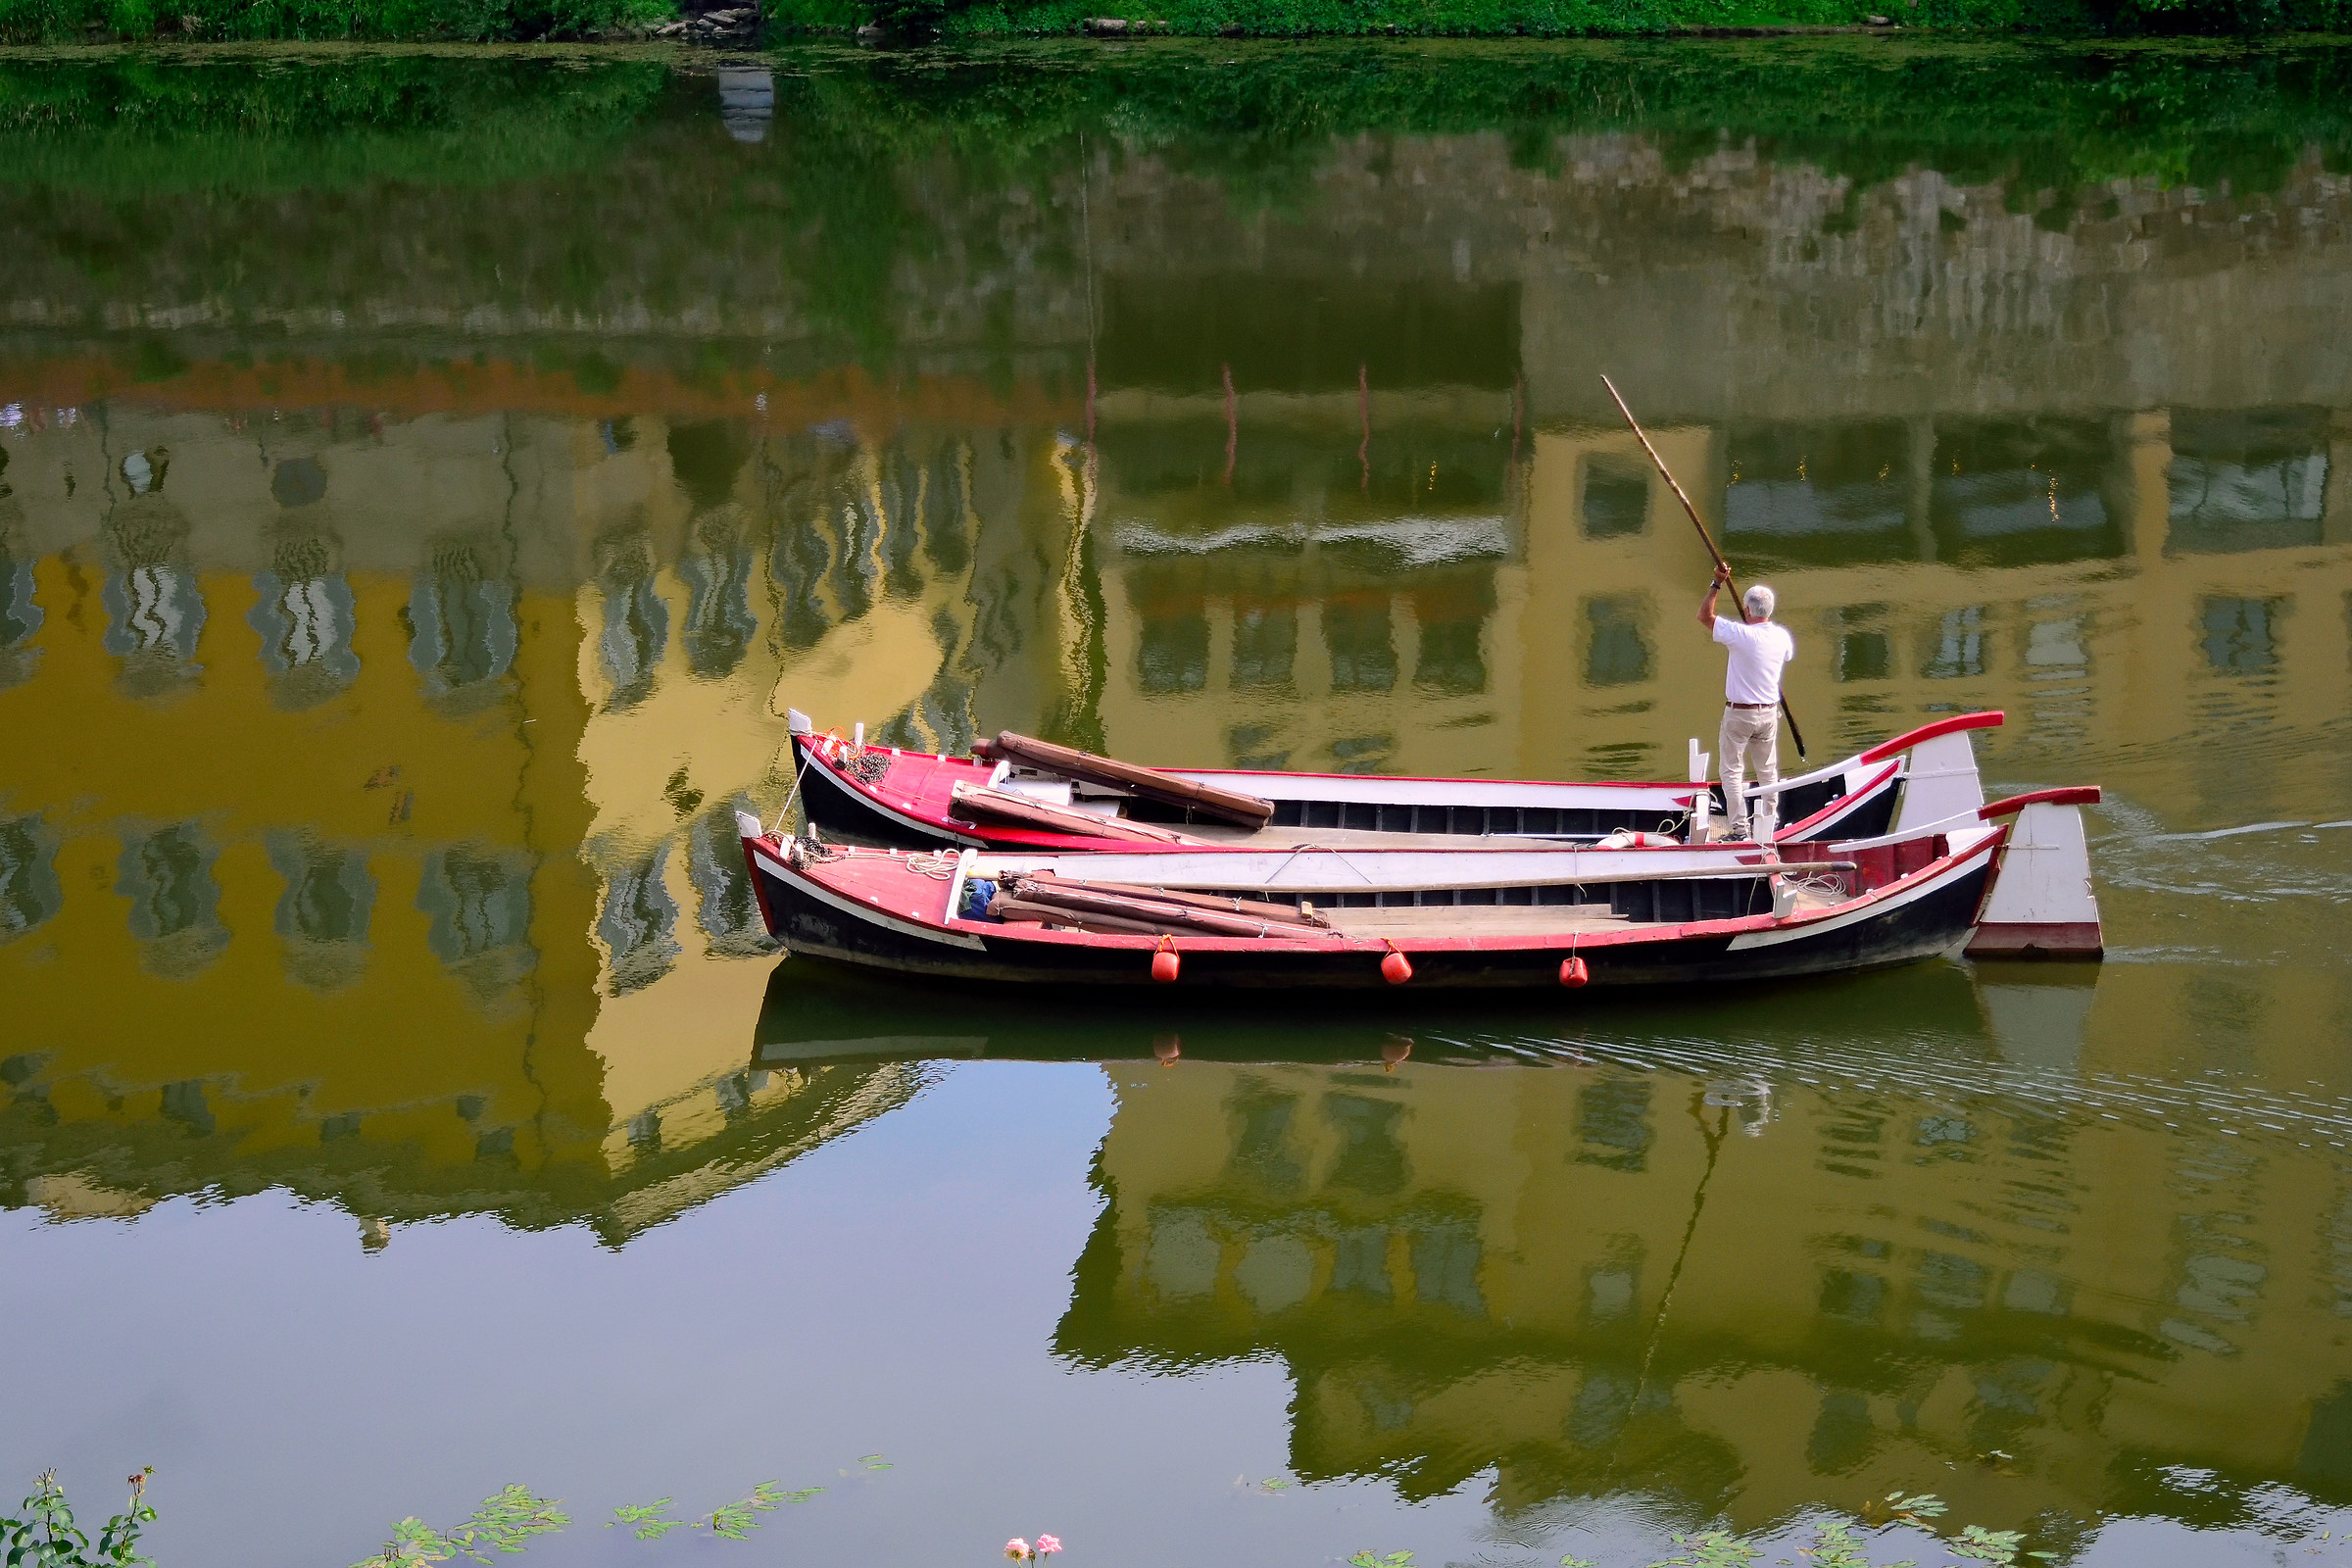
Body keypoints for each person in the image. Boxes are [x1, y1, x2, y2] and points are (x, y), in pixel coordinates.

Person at [1697, 564, 1794, 843]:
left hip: (1740, 715)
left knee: (1731, 771)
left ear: (1748, 610)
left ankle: (1740, 830)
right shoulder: (1781, 636)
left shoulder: (1740, 635)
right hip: (1768, 714)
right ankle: (1770, 824)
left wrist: (1717, 583)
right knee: (1767, 771)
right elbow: (1784, 656)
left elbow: (1704, 616)